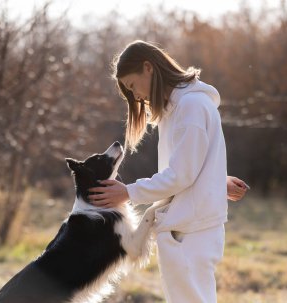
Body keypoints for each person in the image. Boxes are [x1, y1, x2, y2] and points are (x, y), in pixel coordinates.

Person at [88, 40, 249, 303]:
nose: (136, 95)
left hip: (189, 230)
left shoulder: (191, 107)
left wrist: (128, 192)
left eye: (132, 85)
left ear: (148, 68)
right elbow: (194, 165)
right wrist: (216, 180)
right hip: (185, 227)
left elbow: (181, 174)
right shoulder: (178, 108)